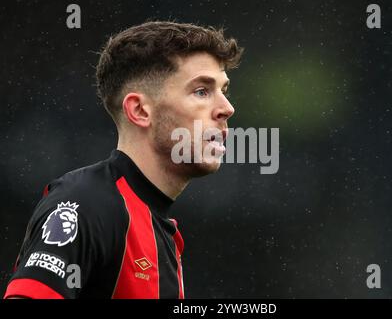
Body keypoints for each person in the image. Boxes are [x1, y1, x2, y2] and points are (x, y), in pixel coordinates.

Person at [3, 21, 243, 299]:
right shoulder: (85, 204)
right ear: (140, 111)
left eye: (223, 91)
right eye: (202, 91)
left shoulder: (159, 229)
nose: (227, 108)